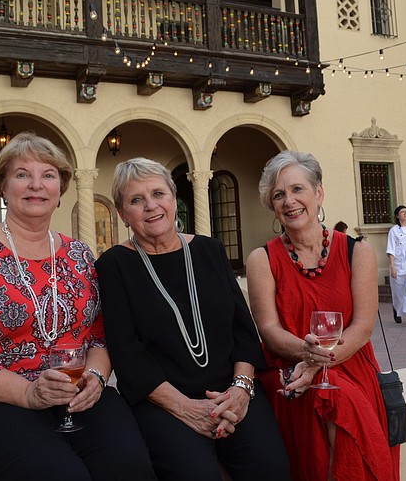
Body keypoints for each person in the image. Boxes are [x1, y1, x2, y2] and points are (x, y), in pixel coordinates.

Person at [0, 132, 155, 481]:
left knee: (130, 468)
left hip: (74, 394)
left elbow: (99, 333)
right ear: (2, 186)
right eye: (22, 174)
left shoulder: (79, 255)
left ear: (60, 191)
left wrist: (95, 376)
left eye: (48, 175)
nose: (36, 185)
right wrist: (28, 393)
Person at [96, 157, 290, 481]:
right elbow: (127, 354)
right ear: (122, 214)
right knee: (196, 474)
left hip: (232, 391)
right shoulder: (113, 266)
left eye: (159, 194)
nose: (151, 206)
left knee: (271, 466)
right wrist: (186, 408)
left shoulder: (210, 250)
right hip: (163, 402)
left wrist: (241, 390)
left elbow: (243, 331)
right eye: (136, 200)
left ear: (173, 199)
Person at [246, 151, 400, 481]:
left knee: (338, 397)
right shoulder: (262, 259)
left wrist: (317, 363)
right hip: (287, 369)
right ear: (272, 206)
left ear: (318, 193)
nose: (289, 201)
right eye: (279, 195)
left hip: (350, 362)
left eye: (297, 189)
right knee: (331, 397)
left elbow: (363, 326)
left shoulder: (357, 251)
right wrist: (306, 356)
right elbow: (269, 330)